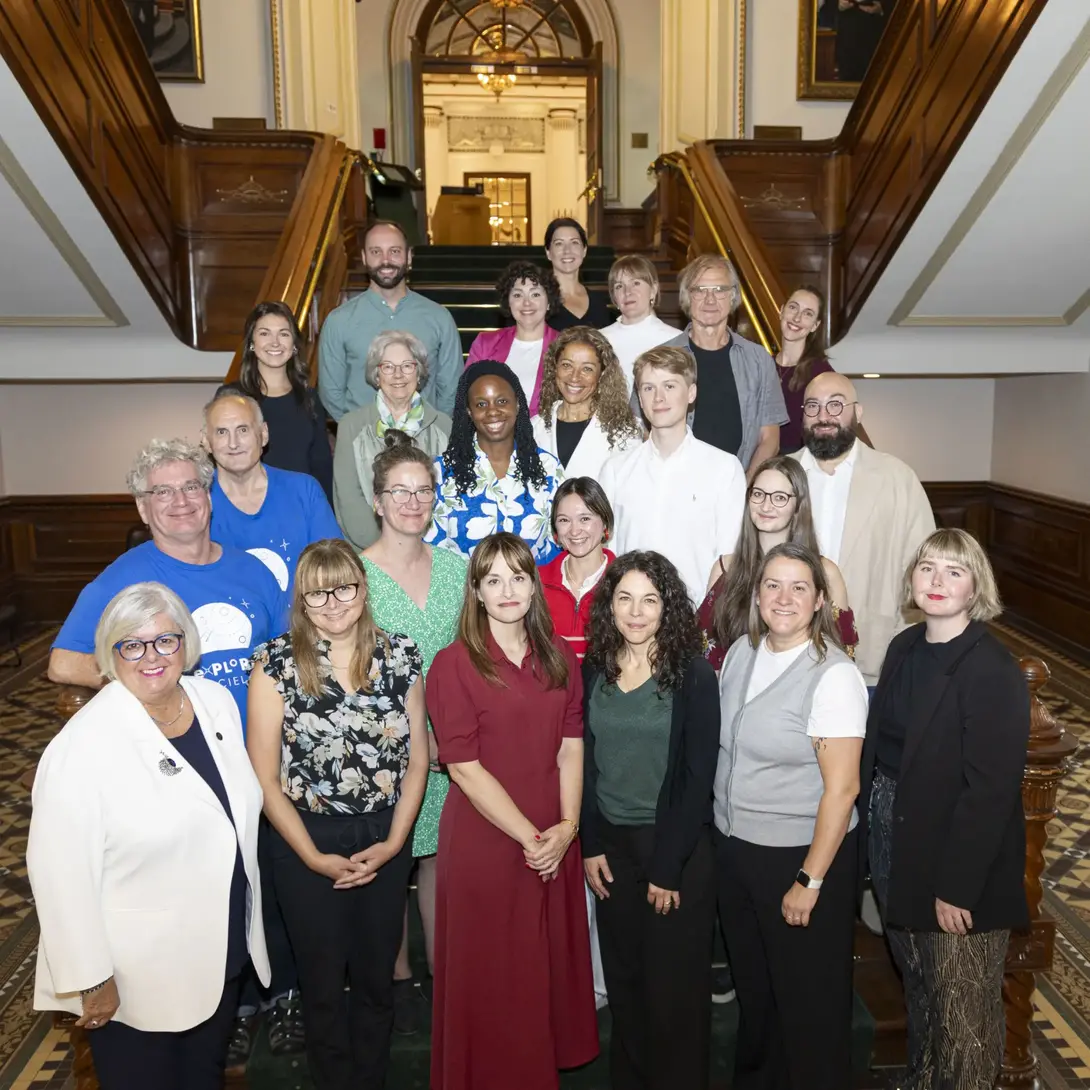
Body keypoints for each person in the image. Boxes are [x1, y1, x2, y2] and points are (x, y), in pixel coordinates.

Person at [28, 582, 270, 1089]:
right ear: (110, 654)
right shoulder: (82, 747)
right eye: (131, 645)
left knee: (203, 1078)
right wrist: (92, 978)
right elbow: (59, 876)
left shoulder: (214, 701)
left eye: (166, 640)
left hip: (219, 951)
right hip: (138, 975)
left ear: (187, 642)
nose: (152, 657)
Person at [247, 538, 429, 1090]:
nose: (333, 603)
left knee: (376, 980)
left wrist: (396, 844)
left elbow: (419, 759)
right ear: (301, 599)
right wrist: (314, 858)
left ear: (363, 587)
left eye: (343, 587)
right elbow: (266, 780)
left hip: (384, 834)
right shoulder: (275, 664)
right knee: (322, 987)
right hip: (305, 838)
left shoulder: (401, 655)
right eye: (317, 593)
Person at [426, 532, 598, 1090]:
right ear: (474, 590)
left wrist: (568, 828)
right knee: (496, 974)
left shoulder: (560, 659)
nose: (507, 590)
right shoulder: (452, 665)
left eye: (518, 577)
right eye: (493, 578)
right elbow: (464, 768)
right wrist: (534, 838)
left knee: (542, 966)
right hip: (489, 840)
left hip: (555, 833)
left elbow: (572, 745)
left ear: (534, 586)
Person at [860, 528, 1028, 1089]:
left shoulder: (992, 669)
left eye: (954, 571)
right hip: (895, 838)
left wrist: (957, 886)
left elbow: (990, 793)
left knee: (965, 1017)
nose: (937, 581)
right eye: (928, 568)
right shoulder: (904, 646)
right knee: (923, 990)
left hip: (957, 862)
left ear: (976, 586)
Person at [715, 543, 868, 1090]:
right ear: (756, 595)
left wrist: (809, 879)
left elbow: (843, 790)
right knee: (758, 999)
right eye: (773, 585)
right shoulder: (738, 654)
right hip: (737, 852)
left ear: (821, 600)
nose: (784, 598)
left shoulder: (833, 677)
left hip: (800, 858)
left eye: (799, 587)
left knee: (809, 1010)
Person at [582, 551, 719, 1090]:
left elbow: (696, 777)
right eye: (624, 598)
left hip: (675, 854)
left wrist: (667, 868)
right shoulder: (595, 666)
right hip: (611, 852)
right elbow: (585, 763)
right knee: (628, 986)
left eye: (650, 600)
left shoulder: (694, 675)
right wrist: (590, 844)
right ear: (608, 605)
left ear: (669, 607)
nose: (636, 612)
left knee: (674, 998)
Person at [48, 438, 285, 727]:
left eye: (191, 487)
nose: (181, 501)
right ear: (143, 508)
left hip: (263, 743)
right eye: (163, 492)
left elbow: (288, 653)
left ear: (208, 498)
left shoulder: (253, 570)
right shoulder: (119, 581)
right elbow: (63, 663)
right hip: (175, 750)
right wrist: (145, 681)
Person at [359, 432, 469, 1035]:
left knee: (439, 861)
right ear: (377, 501)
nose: (412, 501)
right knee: (394, 861)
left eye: (423, 490)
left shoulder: (456, 566)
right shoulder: (356, 572)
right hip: (389, 743)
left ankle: (440, 973)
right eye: (399, 491)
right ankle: (397, 977)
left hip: (454, 743)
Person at [791, 371, 935, 685]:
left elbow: (923, 572)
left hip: (873, 658)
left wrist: (907, 645)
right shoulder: (780, 476)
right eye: (813, 407)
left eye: (836, 405)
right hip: (789, 652)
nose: (823, 416)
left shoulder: (898, 479)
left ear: (858, 412)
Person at [540, 476, 616, 1011]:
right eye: (564, 520)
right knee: (567, 844)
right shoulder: (538, 579)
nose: (575, 529)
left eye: (585, 518)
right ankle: (566, 975)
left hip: (613, 730)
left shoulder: (627, 579)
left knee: (604, 848)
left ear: (604, 524)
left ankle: (604, 976)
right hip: (556, 732)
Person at [599, 345, 746, 607]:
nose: (658, 398)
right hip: (630, 617)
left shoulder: (724, 468)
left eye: (669, 386)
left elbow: (728, 558)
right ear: (639, 399)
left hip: (697, 618)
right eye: (648, 388)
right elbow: (607, 554)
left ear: (691, 393)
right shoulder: (615, 470)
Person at [697, 455, 856, 672]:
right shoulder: (725, 569)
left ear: (798, 505)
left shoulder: (825, 573)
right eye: (758, 494)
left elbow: (842, 658)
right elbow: (706, 655)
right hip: (730, 698)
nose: (766, 505)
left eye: (779, 497)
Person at [318, 220, 462, 419]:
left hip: (425, 443)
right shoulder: (338, 321)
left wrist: (434, 431)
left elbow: (451, 389)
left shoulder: (439, 317)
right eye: (376, 252)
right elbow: (330, 392)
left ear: (409, 256)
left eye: (394, 251)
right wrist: (357, 432)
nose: (386, 260)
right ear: (364, 258)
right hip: (361, 443)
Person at [426, 360, 564, 563]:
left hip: (533, 593)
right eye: (481, 404)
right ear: (469, 412)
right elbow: (431, 551)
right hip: (462, 594)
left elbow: (559, 547)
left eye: (502, 401)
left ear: (517, 404)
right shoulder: (441, 473)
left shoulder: (549, 469)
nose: (492, 411)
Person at [204, 393, 342, 595]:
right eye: (222, 432)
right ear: (206, 441)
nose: (233, 443)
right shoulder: (195, 503)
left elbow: (334, 566)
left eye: (243, 430)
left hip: (305, 621)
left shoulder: (303, 490)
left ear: (264, 434)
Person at [664, 254, 787, 477]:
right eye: (700, 290)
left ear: (732, 297)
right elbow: (644, 431)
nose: (710, 299)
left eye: (719, 290)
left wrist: (745, 487)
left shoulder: (759, 360)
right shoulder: (663, 359)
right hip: (676, 488)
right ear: (687, 297)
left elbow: (770, 439)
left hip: (739, 488)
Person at [332, 330, 451, 550]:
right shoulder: (350, 426)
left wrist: (421, 550)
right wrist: (388, 550)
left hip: (433, 552)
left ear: (419, 373)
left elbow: (448, 498)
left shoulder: (445, 427)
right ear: (376, 376)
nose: (398, 375)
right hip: (370, 553)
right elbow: (349, 501)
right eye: (388, 367)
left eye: (407, 366)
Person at [218, 301, 334, 501]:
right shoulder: (231, 398)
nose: (275, 342)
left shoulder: (311, 398)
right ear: (252, 343)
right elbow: (220, 462)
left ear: (294, 345)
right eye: (264, 333)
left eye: (283, 333)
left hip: (302, 508)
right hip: (248, 509)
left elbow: (321, 466)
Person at [531, 326, 642, 478]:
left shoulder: (624, 431)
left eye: (587, 369)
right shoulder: (534, 428)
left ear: (602, 374)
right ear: (554, 367)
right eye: (567, 365)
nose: (575, 377)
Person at [465, 260, 560, 414]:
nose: (526, 303)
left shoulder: (565, 346)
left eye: (535, 294)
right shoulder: (485, 344)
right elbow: (468, 396)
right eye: (517, 295)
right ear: (508, 302)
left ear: (549, 302)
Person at [601, 254, 679, 393]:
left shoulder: (675, 340)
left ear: (653, 290)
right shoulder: (599, 339)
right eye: (619, 286)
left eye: (636, 283)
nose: (627, 292)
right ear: (614, 297)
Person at [774, 286, 835, 455]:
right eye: (793, 307)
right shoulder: (762, 363)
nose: (797, 318)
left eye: (808, 313)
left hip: (797, 468)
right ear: (781, 311)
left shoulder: (822, 374)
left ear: (815, 325)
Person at [544, 217, 611, 330]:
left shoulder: (598, 302)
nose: (567, 250)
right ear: (548, 253)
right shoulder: (537, 301)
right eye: (559, 243)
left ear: (584, 250)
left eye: (574, 242)